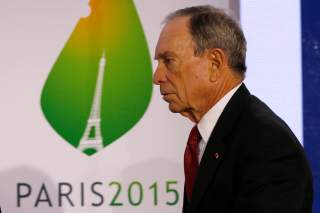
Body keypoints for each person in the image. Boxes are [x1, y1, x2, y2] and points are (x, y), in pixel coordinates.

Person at [153, 5, 313, 213]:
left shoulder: (267, 144)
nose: (157, 77)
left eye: (169, 61)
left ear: (215, 64)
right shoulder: (215, 136)